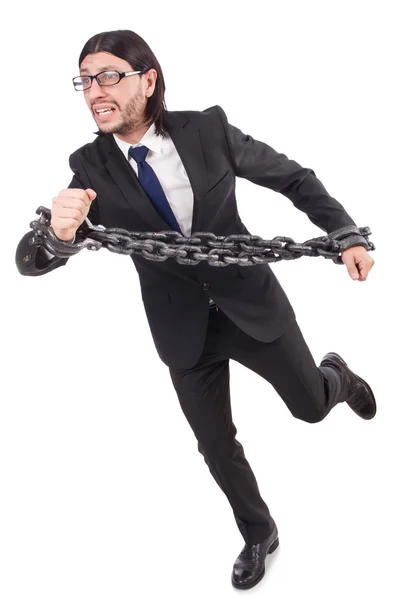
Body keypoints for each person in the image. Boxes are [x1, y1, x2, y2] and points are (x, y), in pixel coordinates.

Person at [15, 29, 376, 590]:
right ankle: (259, 532)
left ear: (148, 79)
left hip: (249, 304)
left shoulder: (206, 130)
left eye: (108, 75)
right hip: (182, 328)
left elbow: (293, 179)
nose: (95, 91)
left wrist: (345, 233)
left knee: (309, 407)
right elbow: (31, 262)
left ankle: (338, 377)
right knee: (215, 442)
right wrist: (59, 236)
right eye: (85, 81)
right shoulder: (90, 167)